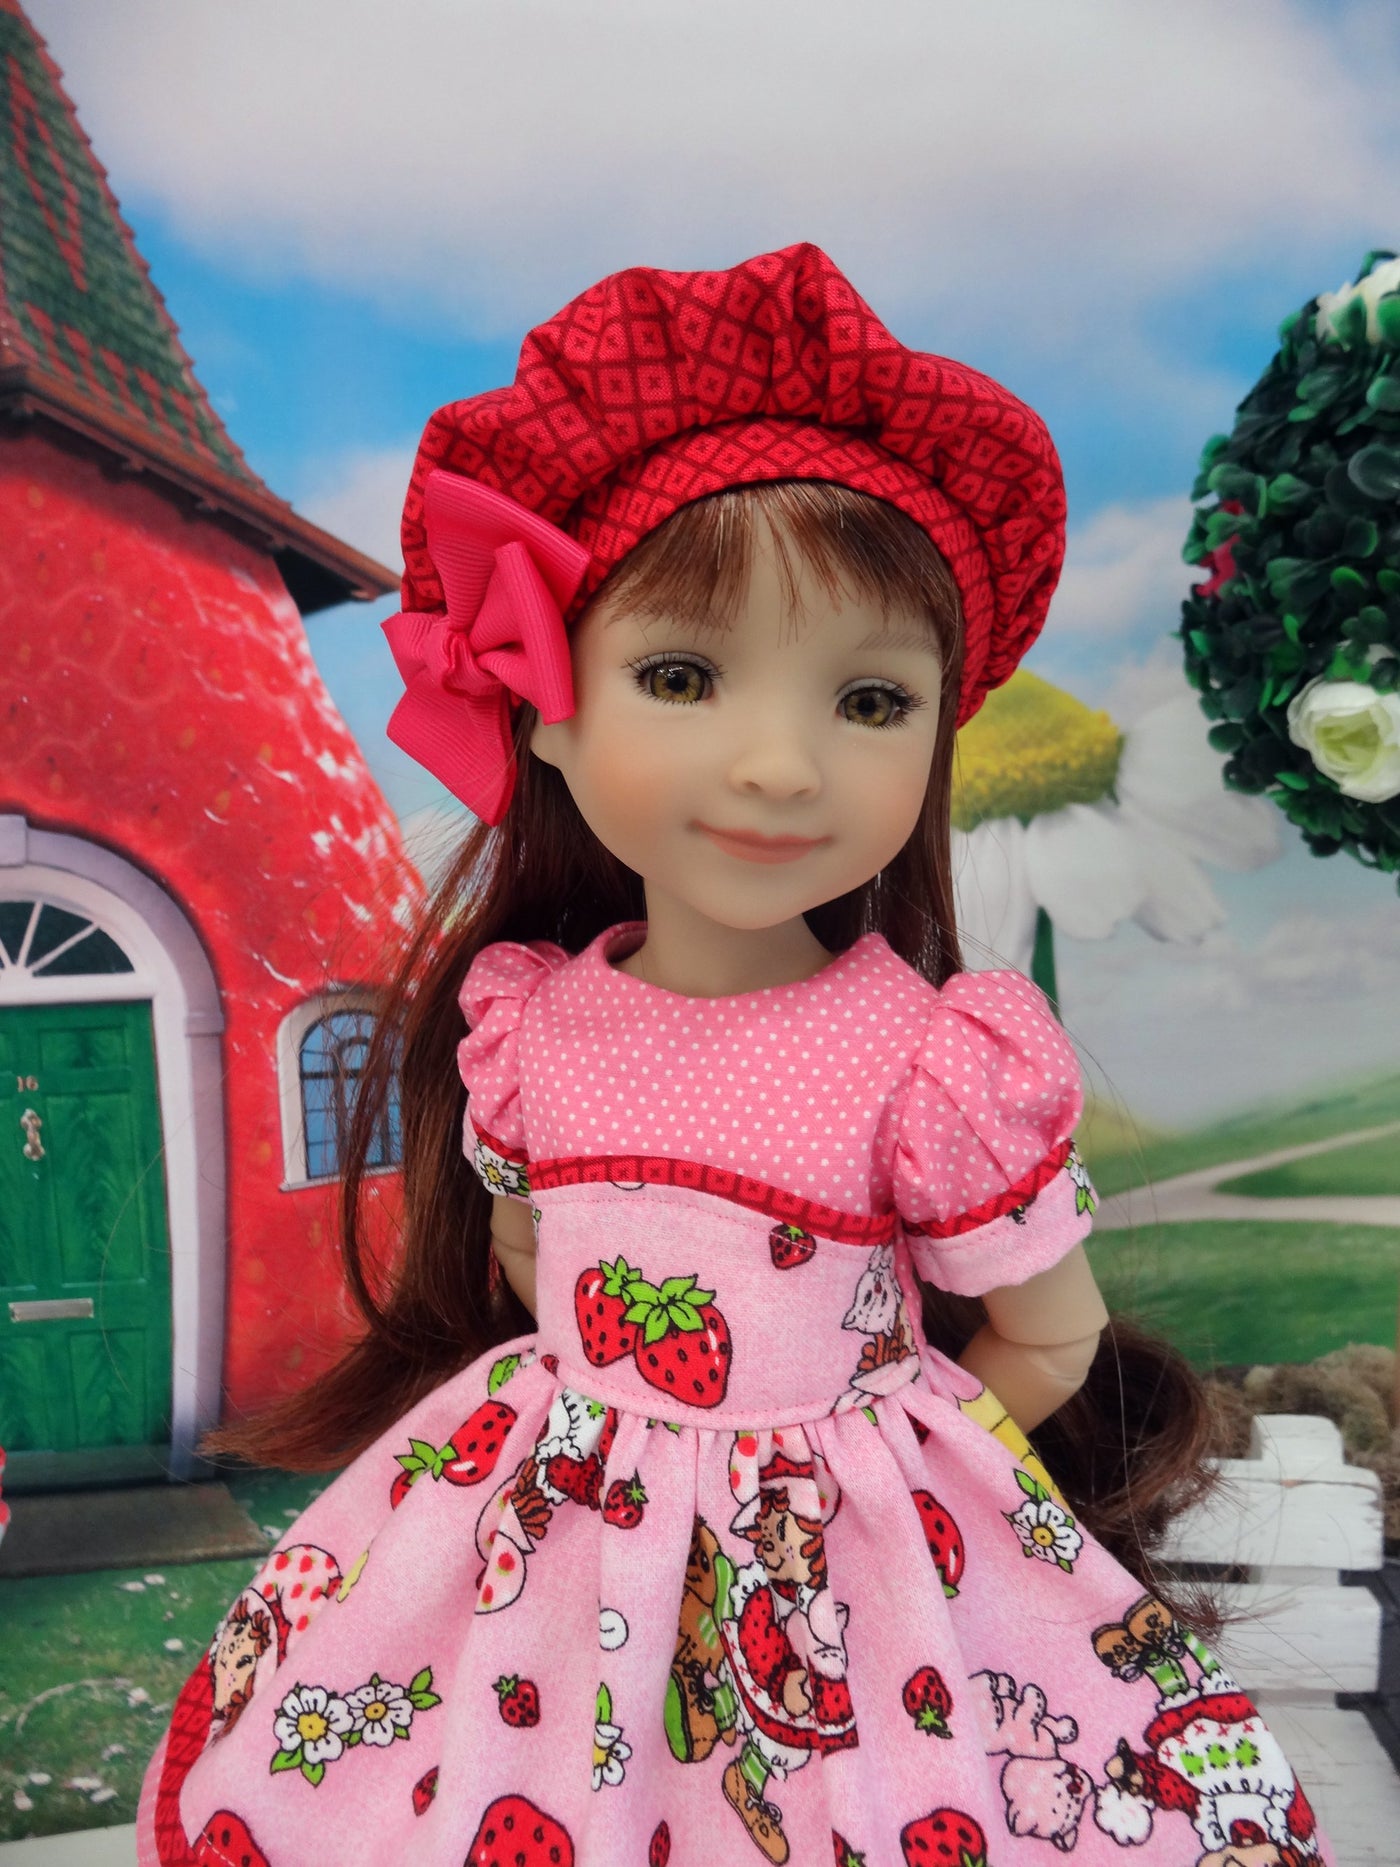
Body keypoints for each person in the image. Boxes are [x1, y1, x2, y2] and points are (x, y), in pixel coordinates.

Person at [139, 245, 1331, 1867]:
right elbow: (533, 1258)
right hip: (562, 1540)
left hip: (843, 1552)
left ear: (940, 731)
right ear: (542, 708)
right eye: (682, 678)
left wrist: (911, 1489)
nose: (778, 765)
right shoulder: (530, 1023)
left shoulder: (932, 1057)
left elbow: (1050, 1334)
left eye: (870, 701)